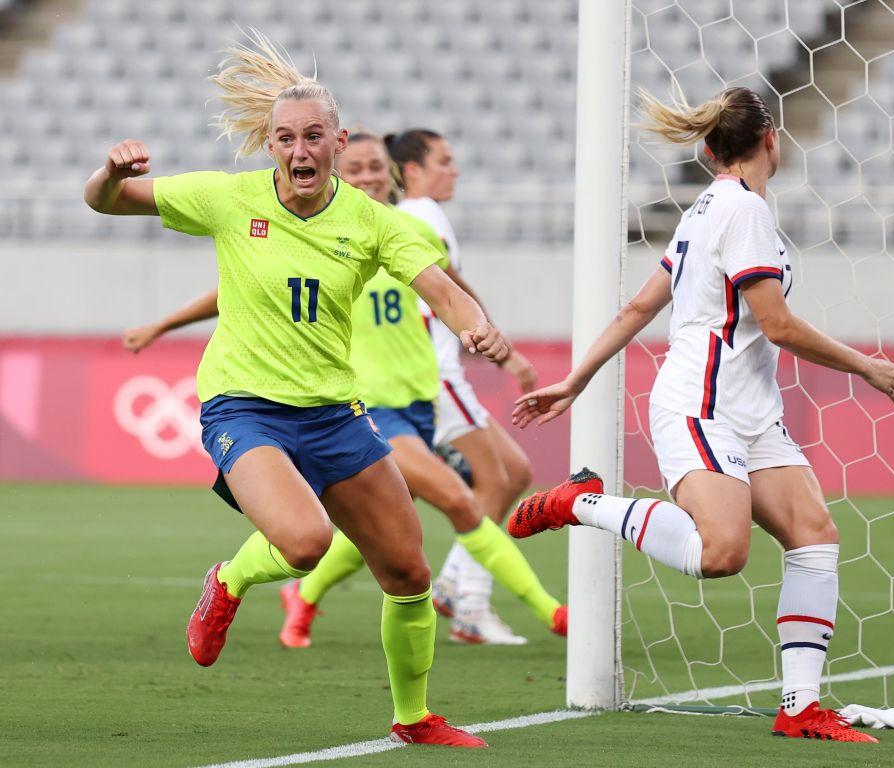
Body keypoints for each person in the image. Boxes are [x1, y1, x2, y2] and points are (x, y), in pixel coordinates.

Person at [86, 31, 496, 748]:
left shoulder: (371, 221)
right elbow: (109, 203)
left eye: (313, 137)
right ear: (268, 146)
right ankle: (229, 579)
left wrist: (475, 325)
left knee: (407, 568)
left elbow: (440, 286)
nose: (300, 151)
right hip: (244, 407)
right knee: (306, 543)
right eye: (285, 139)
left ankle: (413, 718)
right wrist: (108, 172)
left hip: (335, 412)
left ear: (337, 143)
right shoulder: (227, 197)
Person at [507, 86, 894, 743]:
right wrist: (864, 364)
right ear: (770, 140)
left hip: (752, 412)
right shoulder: (743, 212)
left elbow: (640, 308)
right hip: (702, 407)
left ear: (706, 147)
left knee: (814, 535)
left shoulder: (703, 210)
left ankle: (801, 707)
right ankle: (581, 504)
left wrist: (576, 379)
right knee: (721, 553)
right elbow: (776, 325)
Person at [124, 133, 566, 647]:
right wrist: (162, 325)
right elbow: (234, 291)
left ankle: (308, 600)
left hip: (418, 396)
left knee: (382, 544)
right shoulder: (306, 225)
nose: (370, 177)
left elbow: (451, 290)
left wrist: (491, 336)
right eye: (357, 169)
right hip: (367, 403)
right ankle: (537, 611)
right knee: (460, 501)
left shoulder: (394, 230)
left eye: (378, 167)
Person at [385, 129, 543, 633]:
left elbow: (450, 284)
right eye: (444, 161)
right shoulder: (417, 216)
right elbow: (446, 288)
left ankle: (457, 586)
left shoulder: (422, 216)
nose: (454, 170)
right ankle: (466, 601)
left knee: (514, 471)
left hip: (439, 369)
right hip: (431, 372)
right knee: (494, 478)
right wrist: (502, 350)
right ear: (412, 170)